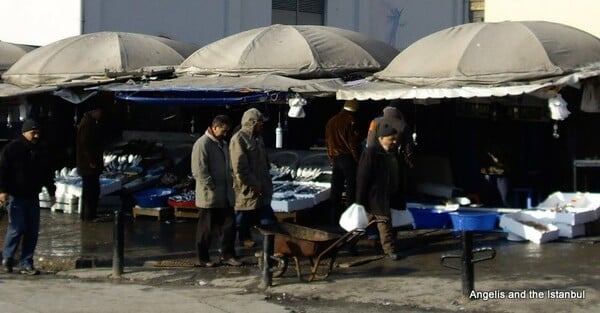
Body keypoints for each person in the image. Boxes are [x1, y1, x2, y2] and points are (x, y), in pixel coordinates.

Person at [0, 119, 55, 275]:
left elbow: (47, 173)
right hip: (16, 196)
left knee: (32, 230)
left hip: (33, 196)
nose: (36, 135)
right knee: (16, 228)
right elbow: (2, 170)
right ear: (25, 132)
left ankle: (27, 262)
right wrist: (2, 190)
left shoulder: (41, 150)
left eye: (38, 132)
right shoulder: (12, 149)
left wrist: (51, 192)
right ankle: (7, 258)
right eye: (33, 132)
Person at [191, 115, 242, 267]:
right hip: (210, 196)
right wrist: (210, 186)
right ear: (215, 127)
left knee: (229, 226)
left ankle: (228, 255)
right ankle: (203, 258)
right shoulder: (202, 144)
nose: (225, 134)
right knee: (206, 230)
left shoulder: (223, 144)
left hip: (225, 195)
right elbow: (199, 170)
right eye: (223, 131)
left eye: (227, 131)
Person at [229, 108, 277, 248]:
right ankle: (240, 240)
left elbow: (264, 161)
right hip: (247, 189)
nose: (262, 126)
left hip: (262, 187)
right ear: (253, 123)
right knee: (242, 217)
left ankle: (272, 246)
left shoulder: (258, 138)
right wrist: (252, 183)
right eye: (260, 123)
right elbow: (240, 168)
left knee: (268, 219)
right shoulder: (238, 139)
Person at [355, 119, 402, 260]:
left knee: (373, 223)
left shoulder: (391, 154)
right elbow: (362, 177)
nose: (394, 142)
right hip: (374, 196)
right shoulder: (371, 153)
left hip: (384, 195)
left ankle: (388, 249)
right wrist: (359, 200)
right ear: (381, 139)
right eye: (391, 139)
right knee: (382, 223)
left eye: (395, 139)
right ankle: (389, 250)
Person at [324, 99, 361, 225]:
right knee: (351, 188)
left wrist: (330, 157)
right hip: (348, 158)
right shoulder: (351, 120)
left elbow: (328, 141)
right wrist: (357, 159)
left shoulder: (331, 121)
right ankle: (349, 217)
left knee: (336, 188)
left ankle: (333, 218)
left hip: (336, 158)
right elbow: (353, 144)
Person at [76, 105, 104, 222]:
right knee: (91, 190)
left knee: (90, 189)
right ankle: (89, 215)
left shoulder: (90, 122)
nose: (100, 114)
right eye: (99, 112)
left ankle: (88, 214)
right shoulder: (87, 124)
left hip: (88, 164)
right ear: (94, 111)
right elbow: (85, 144)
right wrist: (91, 160)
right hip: (88, 165)